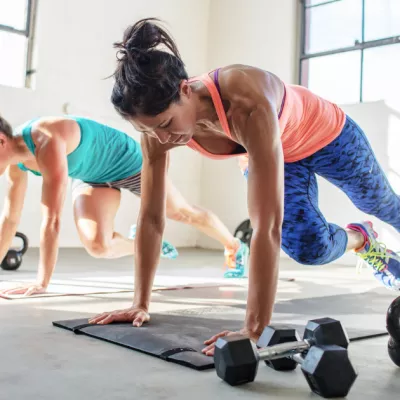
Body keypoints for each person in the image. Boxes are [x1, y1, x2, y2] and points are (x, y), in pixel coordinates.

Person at [88, 18, 400, 355]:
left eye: (165, 124)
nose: (162, 138)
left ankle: (374, 224)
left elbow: (266, 226)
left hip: (328, 136)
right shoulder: (156, 137)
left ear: (185, 89)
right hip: (277, 154)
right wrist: (140, 302)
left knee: (381, 204)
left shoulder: (245, 100)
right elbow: (150, 218)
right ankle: (362, 239)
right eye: (149, 131)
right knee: (310, 249)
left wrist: (255, 328)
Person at [0, 114, 249, 297]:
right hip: (92, 177)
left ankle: (234, 246)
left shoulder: (46, 138)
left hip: (127, 162)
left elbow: (52, 220)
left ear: (1, 141)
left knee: (181, 212)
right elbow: (10, 219)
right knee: (98, 246)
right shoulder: (16, 166)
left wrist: (42, 283)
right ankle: (150, 244)